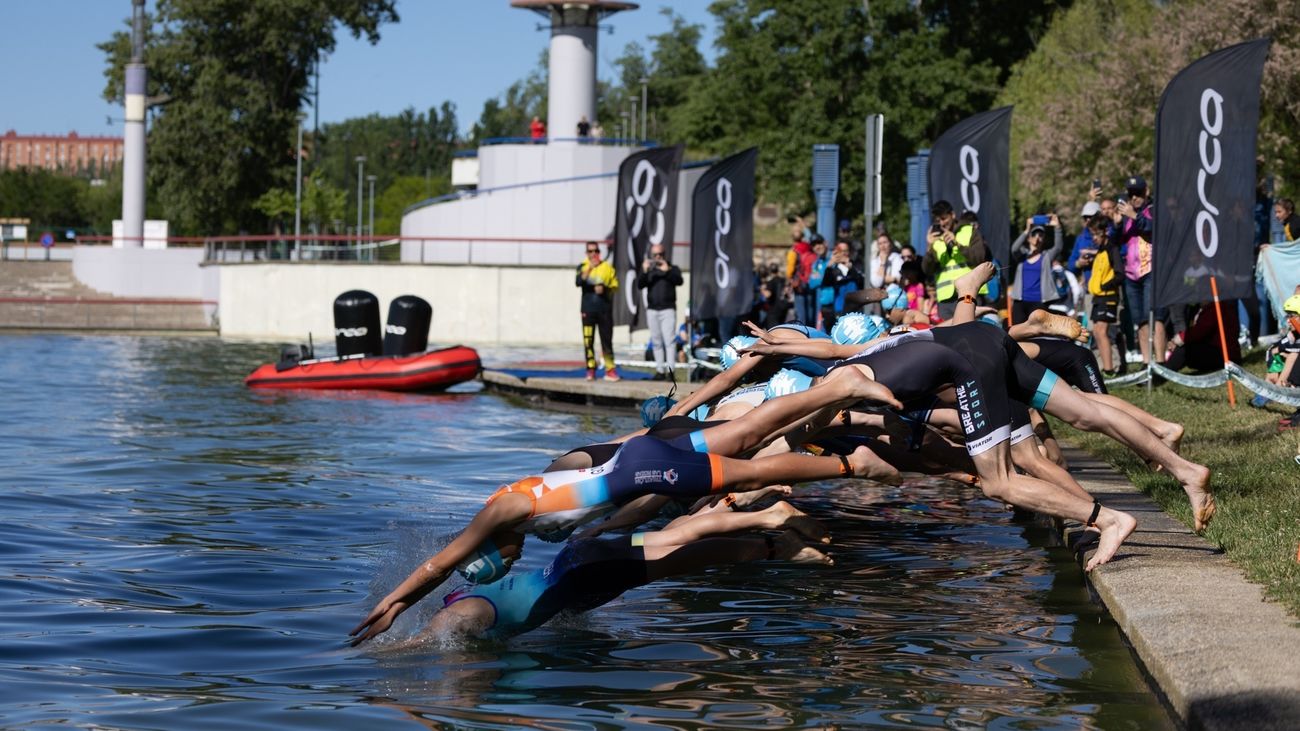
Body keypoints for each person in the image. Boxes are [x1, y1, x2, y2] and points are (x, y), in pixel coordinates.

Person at [348, 369, 903, 646]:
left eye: (503, 560)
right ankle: (837, 389)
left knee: (754, 462)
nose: (512, 561)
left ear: (493, 546)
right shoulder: (510, 505)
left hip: (642, 469)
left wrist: (396, 604)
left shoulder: (502, 515)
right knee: (748, 432)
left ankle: (855, 463)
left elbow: (438, 564)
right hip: (637, 457)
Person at [402, 501, 832, 642]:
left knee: (692, 555)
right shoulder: (460, 602)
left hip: (588, 576)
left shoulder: (458, 614)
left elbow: (425, 644)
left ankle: (777, 540)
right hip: (579, 559)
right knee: (672, 539)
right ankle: (745, 517)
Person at [1110, 175, 1166, 365]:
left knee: (1155, 317)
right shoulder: (1126, 215)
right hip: (1131, 275)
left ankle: (1161, 363)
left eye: (1138, 193)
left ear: (1146, 192)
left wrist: (1135, 216)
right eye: (1131, 194)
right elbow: (1114, 242)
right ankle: (1146, 362)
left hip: (1151, 271)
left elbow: (1154, 228)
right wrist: (1117, 225)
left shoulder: (1152, 210)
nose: (1134, 198)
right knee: (1140, 320)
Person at [923, 200, 989, 320]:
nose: (942, 223)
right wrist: (928, 248)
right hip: (946, 300)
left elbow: (979, 257)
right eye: (938, 220)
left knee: (971, 334)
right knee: (949, 337)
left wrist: (957, 244)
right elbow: (927, 269)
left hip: (969, 292)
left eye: (944, 218)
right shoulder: (936, 238)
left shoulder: (969, 231)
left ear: (952, 215)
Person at [637, 243, 684, 380]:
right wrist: (644, 271)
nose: (658, 257)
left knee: (669, 341)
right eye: (655, 255)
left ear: (665, 254)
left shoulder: (672, 268)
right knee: (656, 341)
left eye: (660, 254)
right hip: (652, 310)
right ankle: (660, 371)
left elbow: (679, 281)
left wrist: (667, 270)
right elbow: (640, 284)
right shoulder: (650, 270)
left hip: (668, 309)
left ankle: (670, 372)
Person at [577, 241, 620, 381]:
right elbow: (578, 281)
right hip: (588, 310)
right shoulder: (582, 267)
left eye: (595, 251)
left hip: (604, 310)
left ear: (599, 252)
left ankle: (610, 369)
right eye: (590, 251)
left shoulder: (607, 267)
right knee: (588, 341)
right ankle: (590, 369)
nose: (593, 254)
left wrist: (605, 289)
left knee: (606, 341)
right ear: (586, 253)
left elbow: (615, 286)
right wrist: (590, 268)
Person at [1009, 215, 1064, 324]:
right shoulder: (1022, 255)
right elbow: (1014, 248)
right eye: (1034, 234)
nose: (1037, 237)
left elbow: (1058, 247)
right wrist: (1027, 230)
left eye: (1041, 235)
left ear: (1043, 239)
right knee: (1016, 333)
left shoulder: (1046, 256)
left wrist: (1057, 227)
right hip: (1020, 302)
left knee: (1036, 334)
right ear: (1028, 238)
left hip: (1039, 303)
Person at [819, 239, 864, 332]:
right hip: (839, 309)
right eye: (841, 251)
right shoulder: (833, 269)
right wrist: (829, 266)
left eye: (845, 251)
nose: (843, 253)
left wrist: (851, 268)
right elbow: (825, 283)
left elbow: (861, 282)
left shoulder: (856, 265)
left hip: (856, 309)